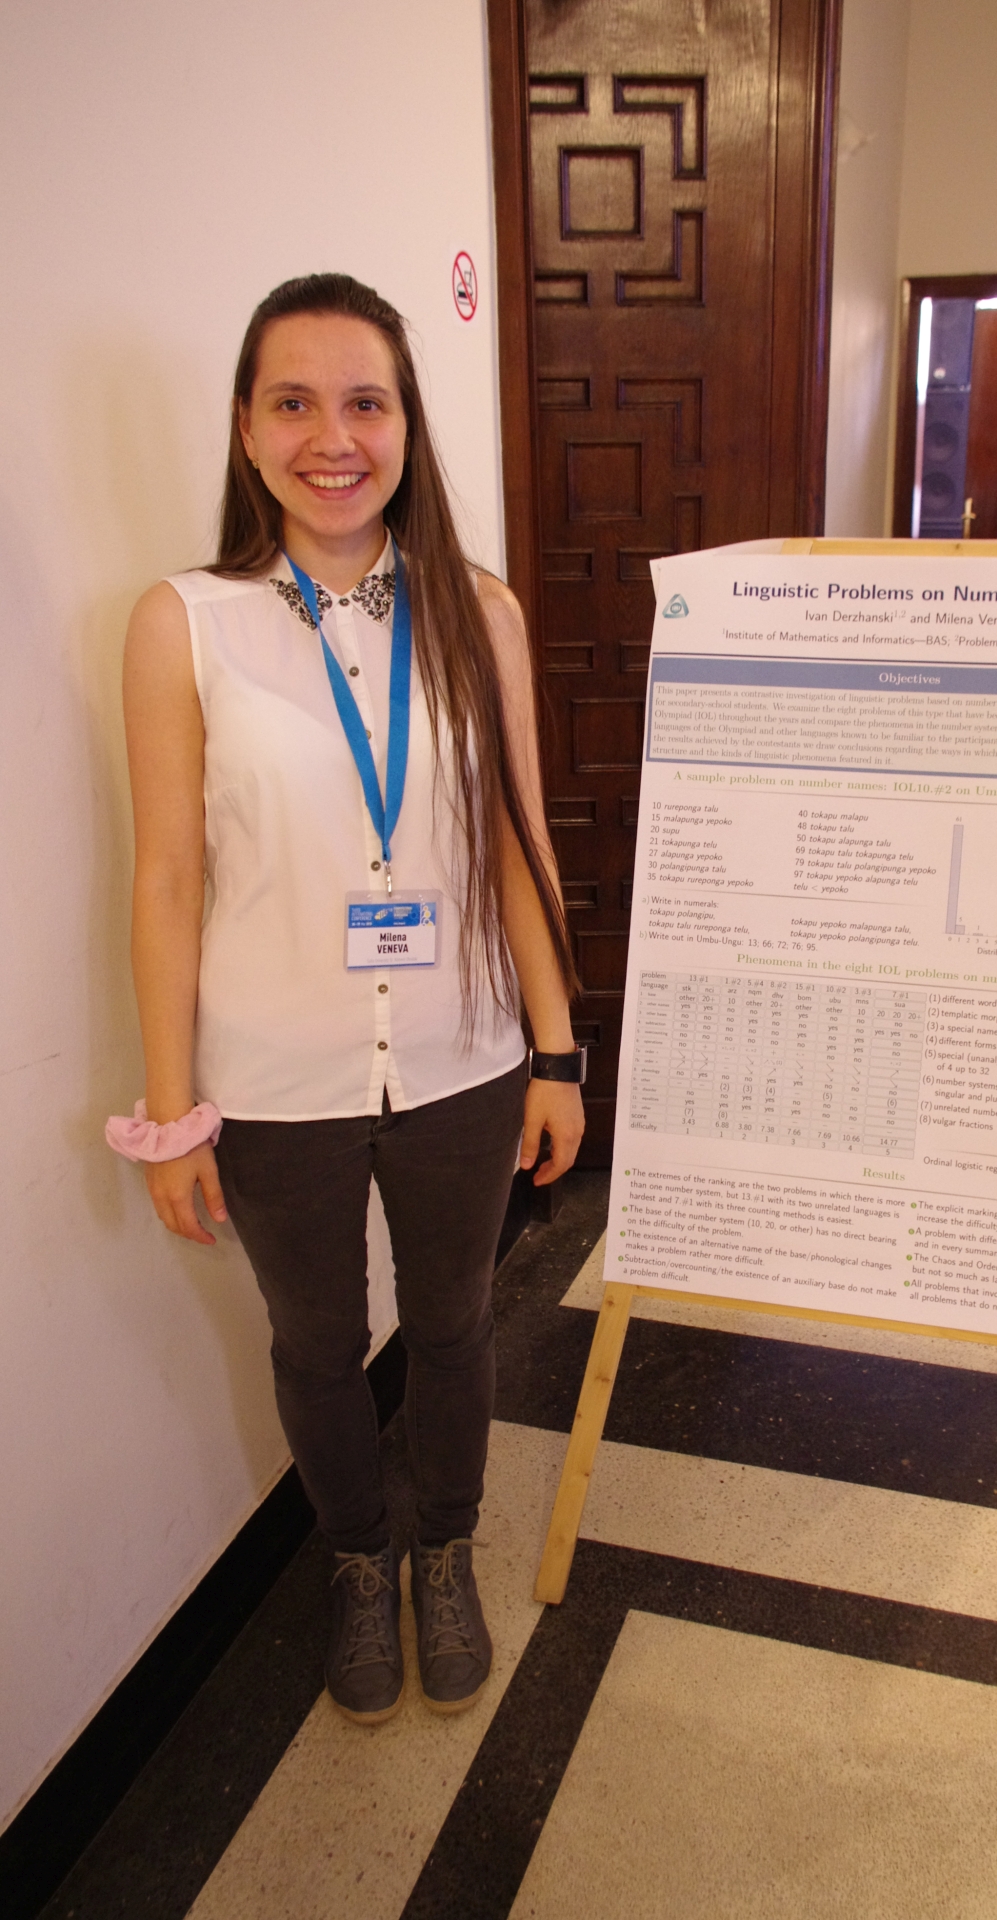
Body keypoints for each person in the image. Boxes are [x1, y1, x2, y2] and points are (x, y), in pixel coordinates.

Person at [110, 273, 584, 1725]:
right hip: (272, 1082)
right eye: (295, 403)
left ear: (406, 425)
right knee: (316, 1345)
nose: (334, 437)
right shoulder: (184, 623)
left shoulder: (479, 612)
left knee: (453, 1325)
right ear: (247, 431)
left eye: (365, 402)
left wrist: (558, 1054)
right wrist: (172, 1113)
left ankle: (445, 1548)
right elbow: (166, 879)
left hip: (461, 1059)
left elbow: (518, 842)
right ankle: (358, 1559)